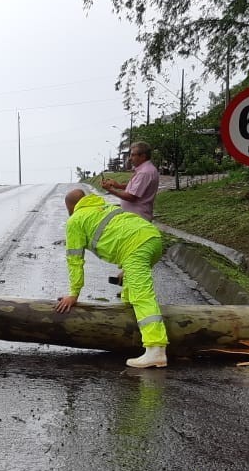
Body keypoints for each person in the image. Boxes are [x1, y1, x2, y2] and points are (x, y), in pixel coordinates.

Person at [55, 188, 169, 368]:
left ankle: (156, 348)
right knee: (129, 294)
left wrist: (74, 294)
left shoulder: (75, 220)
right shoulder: (103, 207)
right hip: (153, 239)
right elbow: (120, 232)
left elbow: (75, 261)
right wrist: (127, 268)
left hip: (136, 247)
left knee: (141, 297)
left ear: (71, 207)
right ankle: (130, 336)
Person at [101, 141, 158, 221]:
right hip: (135, 217)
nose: (130, 158)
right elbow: (137, 187)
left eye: (133, 155)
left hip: (138, 218)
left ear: (143, 156)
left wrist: (110, 190)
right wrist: (118, 186)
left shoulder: (144, 173)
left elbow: (131, 197)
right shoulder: (145, 170)